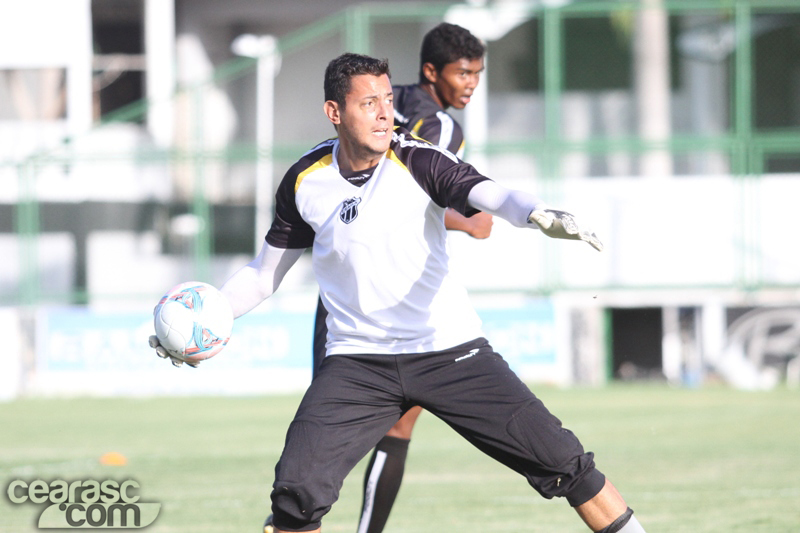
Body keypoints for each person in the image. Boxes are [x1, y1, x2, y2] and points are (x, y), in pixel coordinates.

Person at [151, 53, 644, 533]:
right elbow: (263, 275)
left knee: (565, 462)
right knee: (295, 495)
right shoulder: (304, 180)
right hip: (357, 365)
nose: (386, 112)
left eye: (388, 99)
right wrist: (207, 320)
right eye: (369, 103)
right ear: (334, 112)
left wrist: (536, 213)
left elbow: (491, 194)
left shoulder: (418, 159)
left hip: (451, 354)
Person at [308, 22, 490, 533]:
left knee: (328, 428)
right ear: (433, 72)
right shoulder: (440, 128)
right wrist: (473, 219)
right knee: (394, 424)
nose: (471, 83)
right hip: (393, 295)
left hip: (341, 291)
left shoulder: (383, 99)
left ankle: (292, 516)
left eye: (477, 73)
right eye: (463, 72)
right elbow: (420, 193)